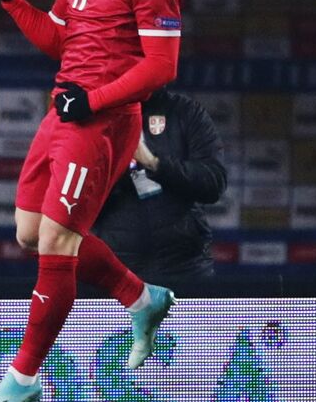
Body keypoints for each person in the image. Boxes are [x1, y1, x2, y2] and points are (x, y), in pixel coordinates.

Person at [0, 0, 182, 402]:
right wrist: (13, 2)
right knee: (29, 232)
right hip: (64, 113)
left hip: (102, 123)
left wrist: (94, 101)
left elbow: (162, 67)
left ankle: (23, 376)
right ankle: (142, 298)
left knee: (57, 243)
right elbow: (63, 41)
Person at [90, 88, 227, 281]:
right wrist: (116, 168)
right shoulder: (94, 117)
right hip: (115, 269)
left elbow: (214, 182)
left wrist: (155, 163)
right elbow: (74, 201)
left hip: (184, 266)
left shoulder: (184, 111)